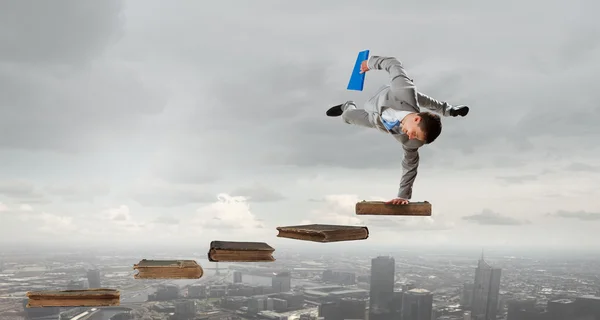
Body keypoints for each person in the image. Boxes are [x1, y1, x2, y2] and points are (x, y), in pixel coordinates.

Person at [326, 55, 469, 205]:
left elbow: (410, 165)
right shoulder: (404, 90)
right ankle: (449, 109)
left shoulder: (412, 141)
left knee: (347, 116)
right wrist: (370, 63)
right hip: (386, 98)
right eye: (414, 133)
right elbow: (393, 64)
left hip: (377, 121)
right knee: (414, 95)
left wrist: (403, 196)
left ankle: (346, 106)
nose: (410, 136)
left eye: (415, 138)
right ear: (416, 120)